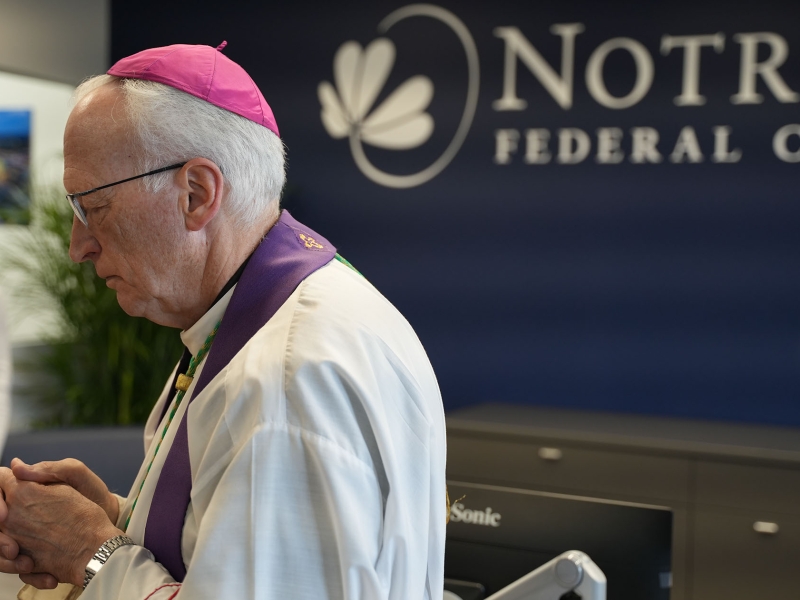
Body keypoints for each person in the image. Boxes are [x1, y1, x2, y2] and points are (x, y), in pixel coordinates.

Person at [0, 43, 446, 600]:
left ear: (196, 193)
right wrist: (115, 514)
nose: (78, 247)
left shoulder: (288, 376)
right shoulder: (269, 319)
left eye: (93, 207)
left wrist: (90, 554)